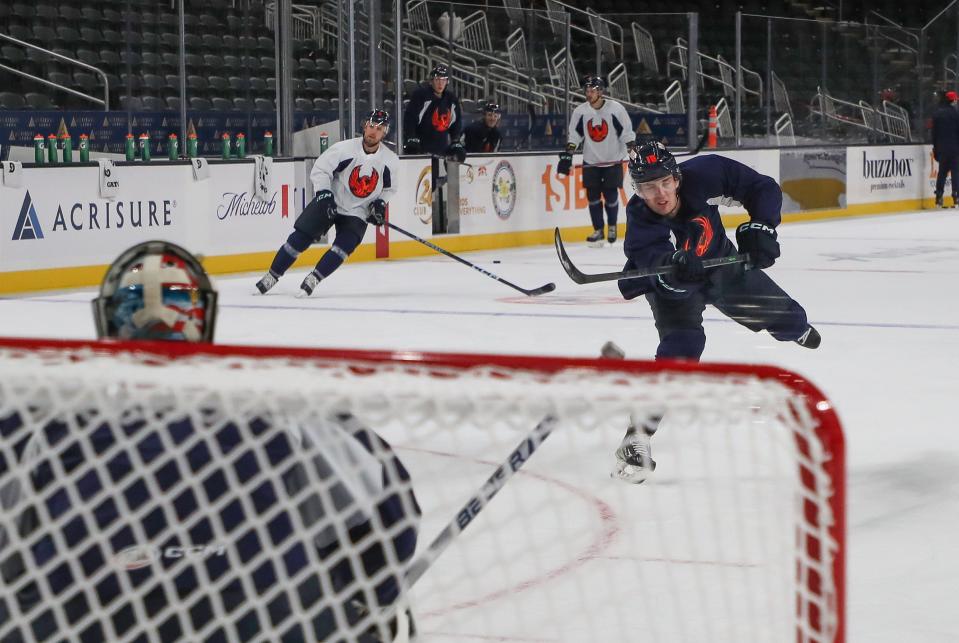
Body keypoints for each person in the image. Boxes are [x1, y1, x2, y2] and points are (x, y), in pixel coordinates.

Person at [2, 240, 420, 642]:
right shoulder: (278, 403)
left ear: (110, 321)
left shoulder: (47, 411)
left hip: (79, 623)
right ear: (201, 320)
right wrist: (365, 605)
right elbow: (392, 505)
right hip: (262, 622)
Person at [610, 141, 820, 484]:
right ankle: (638, 437)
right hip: (675, 289)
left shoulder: (706, 173)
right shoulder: (641, 219)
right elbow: (653, 262)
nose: (660, 194)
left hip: (723, 266)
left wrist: (762, 226)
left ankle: (792, 327)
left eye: (665, 182)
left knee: (785, 315)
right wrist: (673, 269)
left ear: (677, 178)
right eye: (648, 187)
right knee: (683, 347)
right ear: (637, 189)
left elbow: (761, 187)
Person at [255, 108, 400, 297]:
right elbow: (320, 170)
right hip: (330, 199)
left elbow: (389, 189)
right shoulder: (344, 149)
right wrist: (324, 194)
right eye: (371, 126)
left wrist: (380, 204)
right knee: (300, 238)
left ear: (385, 132)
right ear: (365, 126)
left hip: (357, 211)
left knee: (343, 248)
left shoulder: (390, 160)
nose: (373, 131)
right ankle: (272, 275)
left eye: (379, 129)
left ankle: (314, 278)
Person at [557, 75, 636, 246]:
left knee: (610, 194)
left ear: (601, 92)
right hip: (591, 160)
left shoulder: (616, 109)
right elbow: (575, 135)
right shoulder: (581, 111)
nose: (588, 93)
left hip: (613, 160)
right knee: (592, 196)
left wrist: (632, 150)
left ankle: (613, 226)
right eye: (587, 90)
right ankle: (598, 230)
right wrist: (568, 154)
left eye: (592, 90)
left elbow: (626, 133)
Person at [402, 64, 465, 162]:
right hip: (421, 150)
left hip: (441, 150)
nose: (440, 83)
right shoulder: (421, 95)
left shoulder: (451, 99)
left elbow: (456, 123)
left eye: (443, 80)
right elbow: (410, 118)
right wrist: (411, 137)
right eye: (437, 80)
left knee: (441, 176)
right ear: (431, 81)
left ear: (447, 82)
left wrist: (455, 141)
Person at [931, 90, 959, 208]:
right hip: (955, 148)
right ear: (953, 101)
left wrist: (936, 149)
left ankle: (939, 197)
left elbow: (934, 134)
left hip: (942, 148)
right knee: (956, 172)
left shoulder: (937, 114)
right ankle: (956, 197)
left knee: (942, 173)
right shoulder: (956, 114)